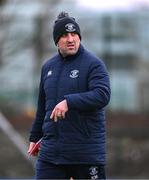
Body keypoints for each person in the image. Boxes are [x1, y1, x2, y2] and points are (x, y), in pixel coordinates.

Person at [28, 11, 111, 180]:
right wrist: (35, 137)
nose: (71, 39)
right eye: (65, 35)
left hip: (85, 154)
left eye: (74, 34)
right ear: (56, 40)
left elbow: (102, 95)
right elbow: (43, 107)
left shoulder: (94, 64)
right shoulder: (48, 67)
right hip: (52, 155)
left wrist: (69, 102)